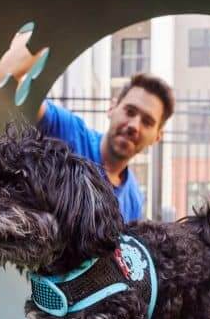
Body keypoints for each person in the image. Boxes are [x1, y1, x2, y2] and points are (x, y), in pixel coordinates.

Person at [35, 73, 175, 222]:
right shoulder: (67, 131)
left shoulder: (134, 200)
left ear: (157, 136)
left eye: (147, 122)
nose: (134, 126)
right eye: (130, 111)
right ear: (112, 108)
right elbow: (27, 105)